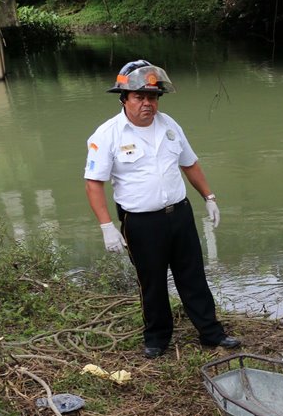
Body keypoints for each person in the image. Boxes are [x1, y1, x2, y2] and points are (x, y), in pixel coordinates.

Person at [84, 59, 241, 359]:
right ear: (124, 98)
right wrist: (106, 226)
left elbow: (189, 163)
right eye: (139, 97)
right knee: (152, 281)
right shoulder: (107, 135)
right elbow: (94, 184)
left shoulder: (170, 126)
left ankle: (211, 332)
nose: (147, 103)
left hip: (179, 215)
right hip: (141, 222)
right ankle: (157, 338)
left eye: (153, 97)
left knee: (193, 275)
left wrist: (209, 197)